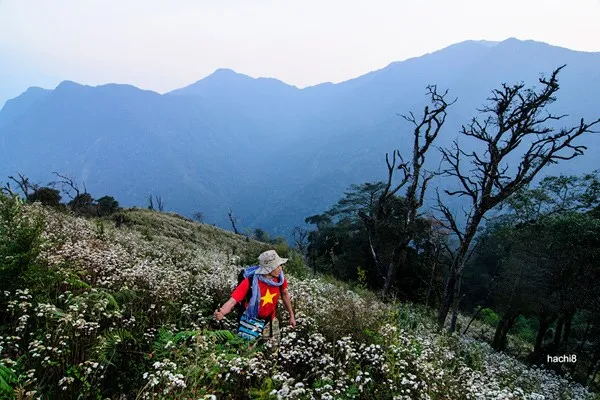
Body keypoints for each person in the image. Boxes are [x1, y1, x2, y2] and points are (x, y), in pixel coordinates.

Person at [214, 250, 296, 343]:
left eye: (280, 265)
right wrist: (222, 312)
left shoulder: (280, 279)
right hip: (250, 321)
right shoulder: (250, 282)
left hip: (270, 320)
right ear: (269, 269)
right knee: (247, 349)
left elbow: (285, 294)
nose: (280, 269)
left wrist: (291, 315)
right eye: (277, 266)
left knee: (272, 348)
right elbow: (232, 301)